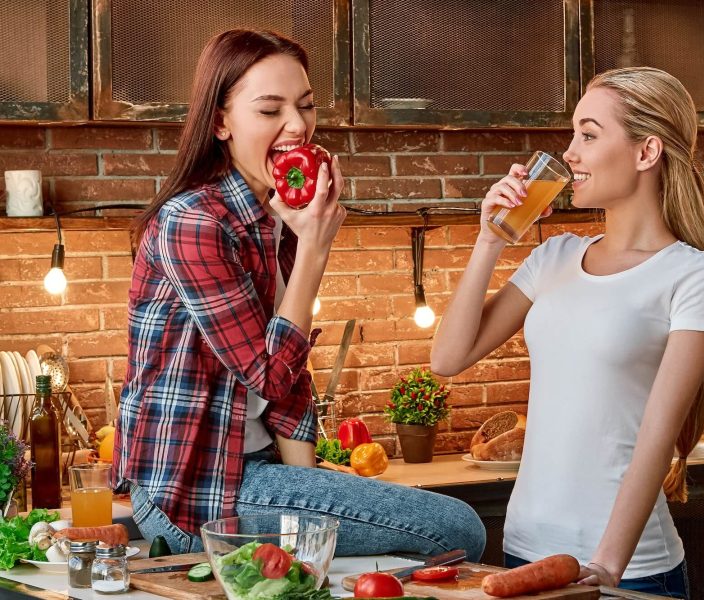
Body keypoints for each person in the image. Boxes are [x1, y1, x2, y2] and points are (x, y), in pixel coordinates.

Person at [114, 28, 485, 560]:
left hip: (256, 473)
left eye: (305, 106)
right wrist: (315, 244)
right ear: (220, 122)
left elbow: (288, 389)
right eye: (270, 111)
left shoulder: (275, 216)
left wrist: (313, 494)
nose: (297, 126)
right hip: (195, 494)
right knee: (455, 528)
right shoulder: (192, 222)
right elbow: (267, 371)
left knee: (404, 545)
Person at [431, 67, 704, 598]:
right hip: (525, 549)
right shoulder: (554, 256)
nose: (569, 153)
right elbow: (449, 358)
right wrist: (489, 240)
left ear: (646, 153)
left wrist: (608, 565)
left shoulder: (692, 272)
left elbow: (655, 441)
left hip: (626, 566)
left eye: (588, 135)